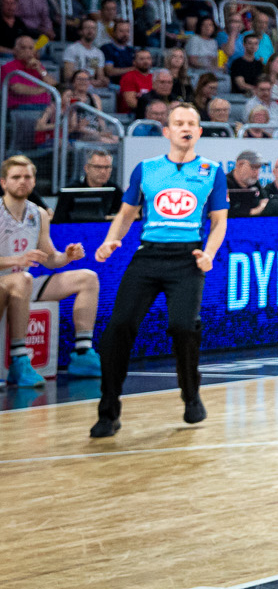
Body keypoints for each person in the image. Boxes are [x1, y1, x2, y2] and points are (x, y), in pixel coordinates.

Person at [90, 102, 228, 437]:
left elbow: (219, 221)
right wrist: (111, 241)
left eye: (191, 123)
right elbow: (126, 214)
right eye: (178, 123)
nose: (185, 128)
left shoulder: (212, 171)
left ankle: (191, 395)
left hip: (187, 258)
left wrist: (208, 253)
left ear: (199, 131)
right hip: (148, 256)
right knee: (118, 327)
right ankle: (108, 411)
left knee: (184, 327)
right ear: (166, 131)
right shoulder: (146, 168)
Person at [0, 156, 100, 385]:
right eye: (16, 177)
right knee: (22, 279)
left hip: (23, 283)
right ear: (3, 182)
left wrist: (67, 256)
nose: (22, 182)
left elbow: (49, 259)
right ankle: (19, 359)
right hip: (5, 281)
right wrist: (18, 259)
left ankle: (83, 354)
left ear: (34, 182)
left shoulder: (39, 214)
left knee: (88, 278)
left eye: (27, 177)